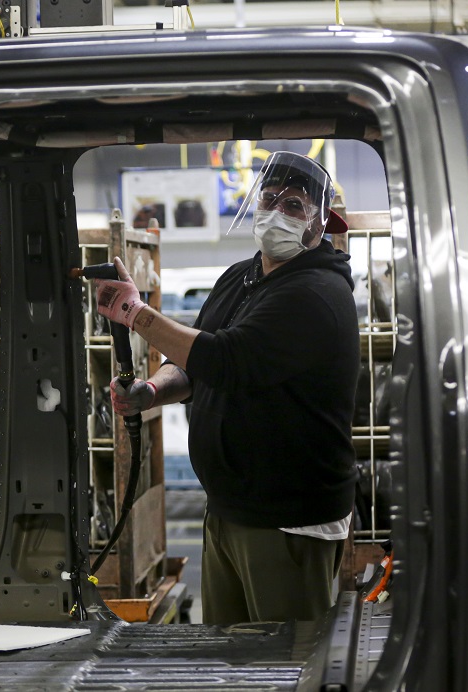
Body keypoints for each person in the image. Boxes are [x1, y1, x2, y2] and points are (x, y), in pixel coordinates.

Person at [93, 151, 359, 624]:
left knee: (287, 667)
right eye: (270, 199)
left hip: (289, 522)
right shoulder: (241, 276)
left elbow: (228, 359)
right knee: (227, 659)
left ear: (320, 225)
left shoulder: (316, 293)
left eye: (294, 205)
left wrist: (137, 314)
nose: (277, 212)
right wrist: (152, 391)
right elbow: (196, 364)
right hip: (229, 511)